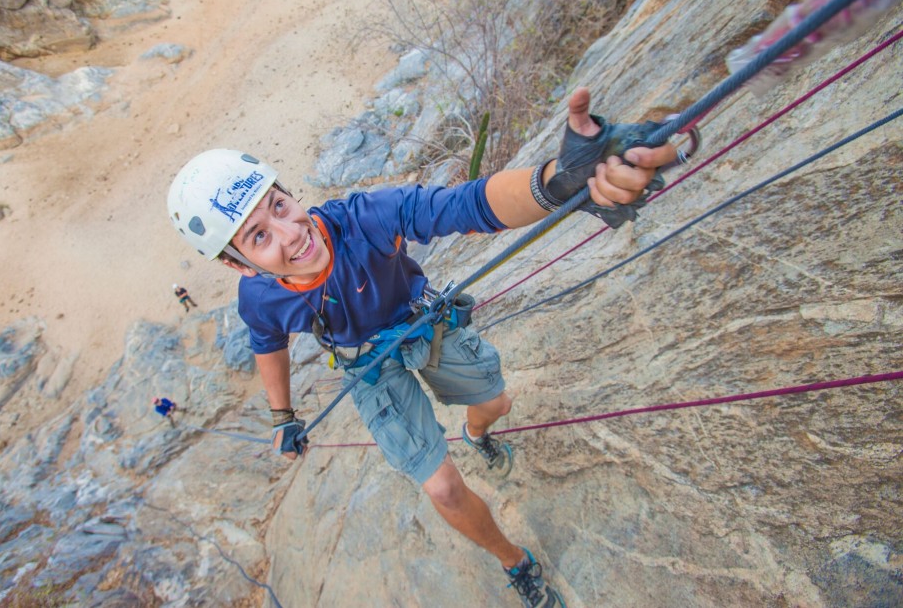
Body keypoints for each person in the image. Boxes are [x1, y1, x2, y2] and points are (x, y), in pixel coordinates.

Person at [167, 87, 676, 607]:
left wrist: (558, 184)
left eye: (279, 204)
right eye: (258, 237)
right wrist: (282, 416)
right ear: (236, 265)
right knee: (441, 488)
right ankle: (515, 562)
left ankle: (477, 433)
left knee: (497, 403)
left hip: (421, 324)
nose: (291, 233)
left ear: (289, 192)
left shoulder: (366, 218)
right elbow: (267, 342)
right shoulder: (259, 297)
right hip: (368, 368)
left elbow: (467, 204)